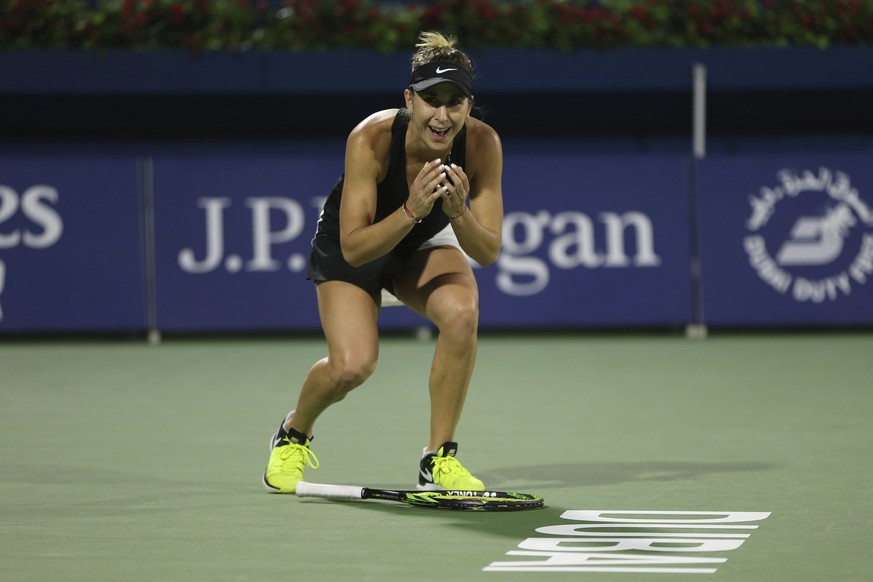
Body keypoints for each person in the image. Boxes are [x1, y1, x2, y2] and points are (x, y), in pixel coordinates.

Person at [262, 31, 503, 494]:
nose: (443, 114)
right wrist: (413, 208)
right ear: (409, 100)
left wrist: (458, 214)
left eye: (455, 101)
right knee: (352, 366)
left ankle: (438, 458)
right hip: (356, 243)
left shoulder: (482, 145)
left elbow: (487, 251)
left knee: (462, 313)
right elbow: (354, 249)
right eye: (431, 99)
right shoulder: (370, 137)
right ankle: (294, 432)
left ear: (469, 107)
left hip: (420, 244)